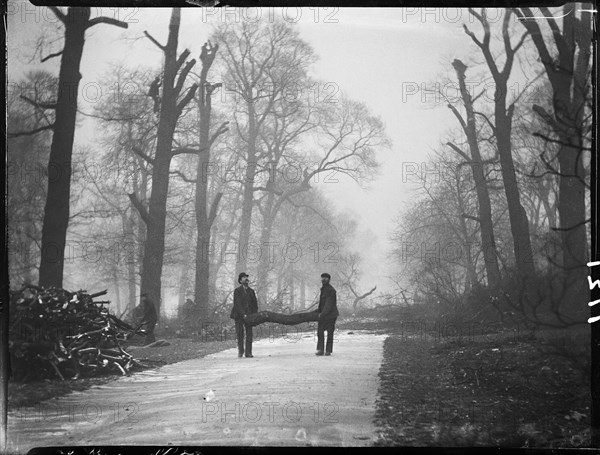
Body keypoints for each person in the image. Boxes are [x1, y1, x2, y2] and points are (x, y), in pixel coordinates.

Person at [230, 272, 258, 358]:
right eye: (243, 277)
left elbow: (255, 304)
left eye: (246, 277)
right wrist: (243, 314)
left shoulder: (251, 291)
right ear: (240, 280)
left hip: (249, 316)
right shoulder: (237, 291)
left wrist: (254, 315)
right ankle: (241, 351)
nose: (246, 279)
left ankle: (248, 352)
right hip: (238, 315)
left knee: (249, 333)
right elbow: (237, 304)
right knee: (240, 333)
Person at [316, 273, 339, 356]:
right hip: (324, 314)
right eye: (322, 278)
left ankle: (328, 351)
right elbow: (322, 303)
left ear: (329, 279)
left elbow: (328, 304)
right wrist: (319, 312)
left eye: (325, 278)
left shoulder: (331, 290)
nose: (323, 280)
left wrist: (322, 314)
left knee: (330, 333)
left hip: (331, 315)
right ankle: (320, 350)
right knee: (320, 332)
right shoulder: (323, 289)